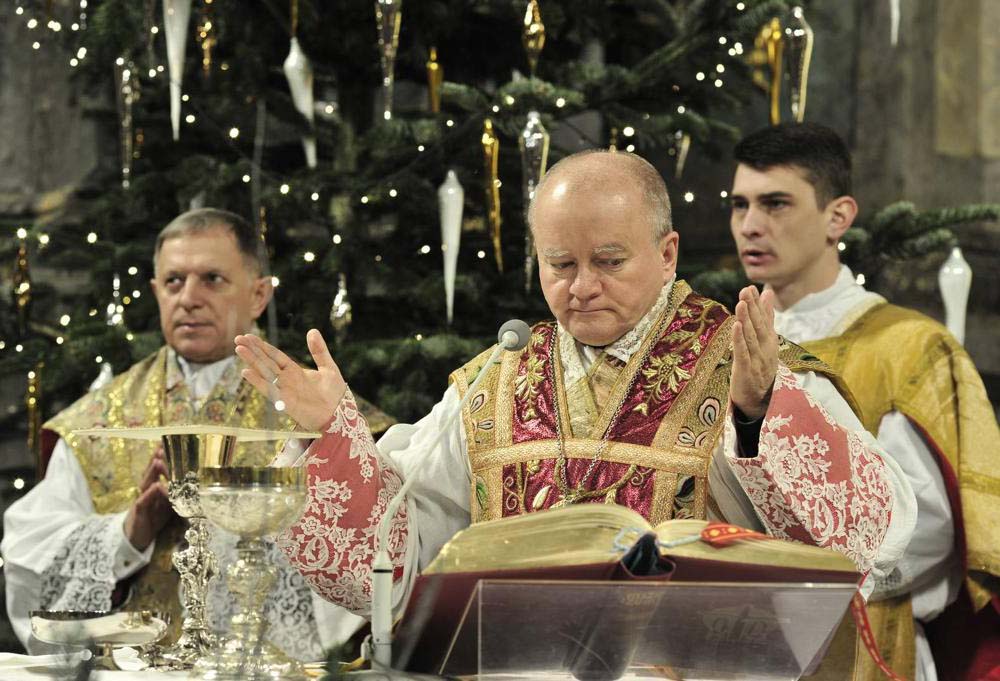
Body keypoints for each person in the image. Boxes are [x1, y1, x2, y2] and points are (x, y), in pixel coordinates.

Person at [235, 150, 916, 668]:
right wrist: (331, 438)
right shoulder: (494, 383)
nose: (582, 288)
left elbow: (869, 536)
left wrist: (760, 411)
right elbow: (396, 556)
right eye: (560, 264)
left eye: (609, 261)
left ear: (667, 251)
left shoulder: (742, 363)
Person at [2, 208, 362, 659]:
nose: (188, 298)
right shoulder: (97, 419)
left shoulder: (318, 416)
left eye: (212, 279)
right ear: (156, 292)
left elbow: (361, 548)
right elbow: (29, 554)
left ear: (258, 296)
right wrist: (129, 531)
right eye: (173, 282)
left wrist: (237, 516)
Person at [730, 122, 1000, 681]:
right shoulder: (722, 347)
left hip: (863, 642)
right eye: (740, 205)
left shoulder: (906, 348)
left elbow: (930, 530)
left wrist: (794, 585)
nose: (750, 226)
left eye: (775, 203)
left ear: (838, 216)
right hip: (735, 644)